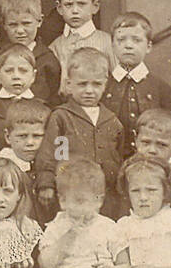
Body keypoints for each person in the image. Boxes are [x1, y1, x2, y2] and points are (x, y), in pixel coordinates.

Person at [35, 47, 125, 218]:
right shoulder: (62, 117)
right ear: (69, 84)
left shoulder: (113, 121)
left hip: (105, 197)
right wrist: (46, 183)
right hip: (72, 193)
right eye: (82, 84)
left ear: (105, 84)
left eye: (96, 84)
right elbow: (53, 154)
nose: (89, 90)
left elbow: (118, 155)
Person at [37, 159, 120, 268]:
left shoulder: (108, 226)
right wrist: (65, 239)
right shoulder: (56, 226)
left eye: (84, 201)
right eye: (71, 201)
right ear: (62, 201)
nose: (78, 207)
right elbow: (45, 264)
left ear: (99, 201)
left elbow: (125, 267)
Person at [103, 12, 171, 153]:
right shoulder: (104, 86)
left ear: (148, 46)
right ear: (112, 45)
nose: (128, 46)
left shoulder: (161, 89)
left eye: (136, 40)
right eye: (121, 40)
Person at [0, 0, 62, 105]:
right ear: (4, 24)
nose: (20, 31)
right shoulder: (0, 56)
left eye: (26, 23)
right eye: (13, 24)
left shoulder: (47, 59)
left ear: (39, 21)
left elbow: (53, 96)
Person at [50, 0, 114, 80]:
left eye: (81, 4)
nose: (75, 11)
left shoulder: (108, 43)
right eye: (69, 5)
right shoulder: (55, 47)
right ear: (60, 8)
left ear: (95, 6)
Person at [0, 43, 39, 151]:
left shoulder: (42, 109)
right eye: (9, 71)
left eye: (23, 71)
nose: (16, 76)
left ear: (33, 76)